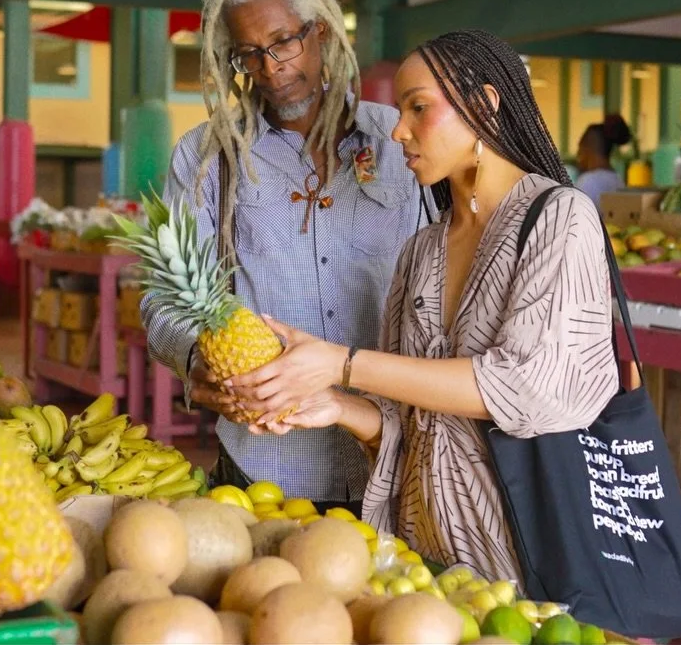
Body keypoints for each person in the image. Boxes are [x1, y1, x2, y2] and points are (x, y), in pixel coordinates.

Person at [228, 29, 620, 584]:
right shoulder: (422, 250)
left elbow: (528, 388)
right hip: (424, 560)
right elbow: (409, 428)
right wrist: (337, 405)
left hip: (525, 558)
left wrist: (343, 362)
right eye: (398, 110)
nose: (398, 131)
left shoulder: (560, 220)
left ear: (483, 106)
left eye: (418, 109)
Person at [142, 0, 424, 514]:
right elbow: (162, 300)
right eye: (249, 53)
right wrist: (199, 357)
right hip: (265, 464)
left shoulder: (400, 143)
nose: (270, 68)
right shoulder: (206, 158)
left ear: (320, 30)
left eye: (283, 42)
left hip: (396, 456)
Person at [573, 114, 631, 208]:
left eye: (580, 151)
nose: (578, 157)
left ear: (588, 149)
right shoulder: (618, 180)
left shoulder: (587, 183)